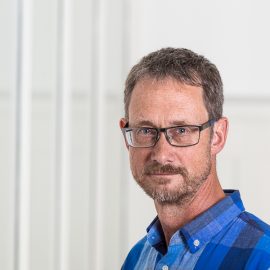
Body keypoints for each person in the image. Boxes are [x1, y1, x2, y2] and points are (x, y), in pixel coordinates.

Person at [119, 48, 270, 269]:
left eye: (181, 131)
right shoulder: (136, 259)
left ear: (217, 136)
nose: (161, 153)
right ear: (126, 135)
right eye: (145, 130)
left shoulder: (262, 258)